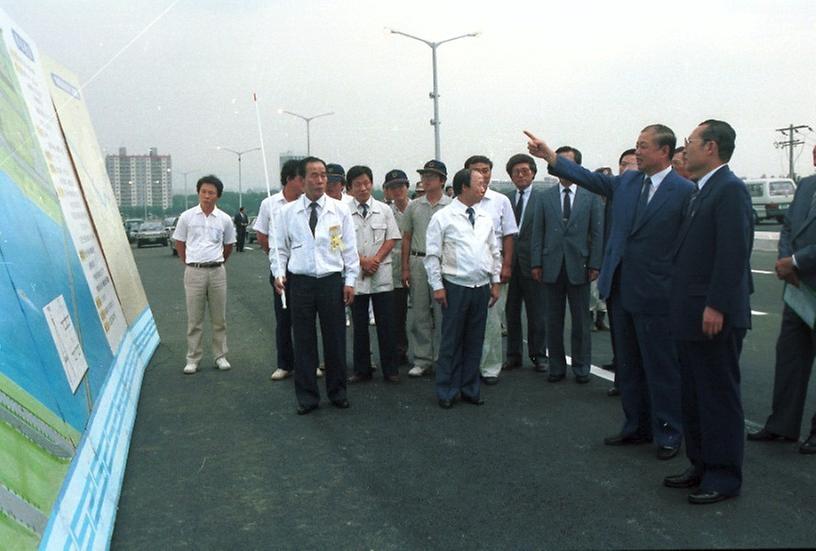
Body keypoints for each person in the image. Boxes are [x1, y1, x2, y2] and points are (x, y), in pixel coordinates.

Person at [526, 126, 694, 461]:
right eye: (636, 146)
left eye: (643, 147)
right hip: (620, 289)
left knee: (661, 368)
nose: (637, 152)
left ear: (664, 152)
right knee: (629, 366)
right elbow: (587, 177)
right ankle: (636, 426)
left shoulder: (684, 191)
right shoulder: (627, 182)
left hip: (658, 294)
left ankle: (669, 432)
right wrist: (550, 156)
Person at [663, 120, 753, 504]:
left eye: (690, 142)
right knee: (694, 394)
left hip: (713, 313)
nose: (686, 148)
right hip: (690, 312)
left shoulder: (729, 189)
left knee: (717, 396)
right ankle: (700, 464)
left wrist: (716, 304)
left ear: (711, 147)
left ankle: (723, 475)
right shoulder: (702, 190)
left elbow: (733, 254)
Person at [273, 157, 359, 415]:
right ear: (301, 179)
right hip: (300, 283)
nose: (320, 180)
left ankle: (337, 392)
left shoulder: (339, 209)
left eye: (323, 175)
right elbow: (279, 250)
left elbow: (348, 248)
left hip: (331, 281)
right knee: (304, 340)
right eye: (314, 175)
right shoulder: (287, 212)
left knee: (335, 338)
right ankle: (308, 397)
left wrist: (351, 280)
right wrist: (278, 273)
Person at [748, 144, 816, 454]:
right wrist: (784, 259)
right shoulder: (805, 185)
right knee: (790, 357)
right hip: (798, 288)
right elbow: (788, 226)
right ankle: (782, 425)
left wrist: (796, 261)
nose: (814, 154)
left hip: (804, 275)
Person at [425, 168, 501, 408]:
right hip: (454, 286)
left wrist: (495, 281)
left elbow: (494, 251)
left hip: (480, 287)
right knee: (451, 342)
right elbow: (432, 256)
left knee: (475, 341)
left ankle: (470, 388)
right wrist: (437, 286)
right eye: (479, 183)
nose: (484, 186)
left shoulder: (485, 218)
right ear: (463, 187)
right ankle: (447, 390)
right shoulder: (443, 217)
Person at [529, 146, 604, 384]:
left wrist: (595, 263)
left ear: (578, 167)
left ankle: (582, 367)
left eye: (568, 163)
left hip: (579, 266)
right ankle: (556, 367)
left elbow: (597, 233)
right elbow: (537, 234)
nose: (562, 168)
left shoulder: (590, 197)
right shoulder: (544, 197)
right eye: (558, 163)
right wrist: (536, 263)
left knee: (581, 322)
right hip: (551, 266)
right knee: (553, 320)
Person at [173, 175, 236, 374]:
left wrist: (217, 262)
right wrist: (189, 262)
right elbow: (180, 243)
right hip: (194, 271)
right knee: (194, 319)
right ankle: (193, 358)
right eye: (203, 192)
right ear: (198, 192)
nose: (207, 196)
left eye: (211, 193)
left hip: (217, 271)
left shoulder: (224, 219)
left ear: (218, 196)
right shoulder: (187, 217)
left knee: (219, 318)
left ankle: (220, 356)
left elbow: (228, 246)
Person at [346, 165, 401, 383]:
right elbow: (339, 241)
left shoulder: (384, 209)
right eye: (357, 184)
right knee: (359, 326)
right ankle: (362, 369)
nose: (363, 187)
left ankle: (391, 370)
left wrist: (375, 260)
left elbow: (392, 237)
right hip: (357, 274)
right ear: (350, 188)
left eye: (366, 183)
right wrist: (362, 261)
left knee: (386, 324)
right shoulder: (343, 211)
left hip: (381, 273)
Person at [465, 155, 518, 385]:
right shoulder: (460, 200)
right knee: (467, 320)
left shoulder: (501, 200)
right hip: (465, 269)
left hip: (493, 269)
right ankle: (468, 366)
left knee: (492, 321)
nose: (482, 174)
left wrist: (506, 266)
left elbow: (508, 235)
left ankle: (489, 368)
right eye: (476, 170)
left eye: (485, 170)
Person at [400, 160, 452, 377]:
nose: (426, 179)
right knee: (420, 312)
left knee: (443, 314)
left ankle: (443, 358)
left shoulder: (452, 206)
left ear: (442, 180)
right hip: (418, 261)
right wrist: (405, 268)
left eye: (432, 176)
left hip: (443, 264)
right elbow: (406, 238)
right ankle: (422, 359)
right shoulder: (414, 206)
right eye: (424, 175)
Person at [254, 159, 304, 381]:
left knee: (306, 319)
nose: (305, 182)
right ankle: (285, 364)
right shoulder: (270, 204)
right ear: (289, 179)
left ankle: (308, 363)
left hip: (304, 268)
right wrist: (275, 259)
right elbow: (262, 235)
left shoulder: (307, 202)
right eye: (301, 178)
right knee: (284, 318)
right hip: (281, 270)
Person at [503, 153, 548, 373]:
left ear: (533, 173)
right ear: (510, 176)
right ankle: (513, 355)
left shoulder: (544, 199)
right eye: (516, 172)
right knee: (511, 311)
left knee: (536, 312)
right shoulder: (505, 199)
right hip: (510, 264)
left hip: (534, 264)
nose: (520, 175)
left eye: (525, 171)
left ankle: (539, 355)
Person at [605, 148, 639, 396]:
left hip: (645, 284)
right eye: (622, 164)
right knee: (621, 337)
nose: (625, 170)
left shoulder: (676, 190)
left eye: (631, 164)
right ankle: (623, 381)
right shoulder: (618, 190)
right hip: (616, 277)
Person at [384, 169, 412, 366]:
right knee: (397, 315)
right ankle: (399, 351)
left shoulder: (417, 207)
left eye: (400, 186)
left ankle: (423, 354)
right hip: (394, 270)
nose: (397, 190)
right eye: (392, 187)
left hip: (417, 266)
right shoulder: (385, 212)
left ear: (407, 186)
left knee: (422, 315)